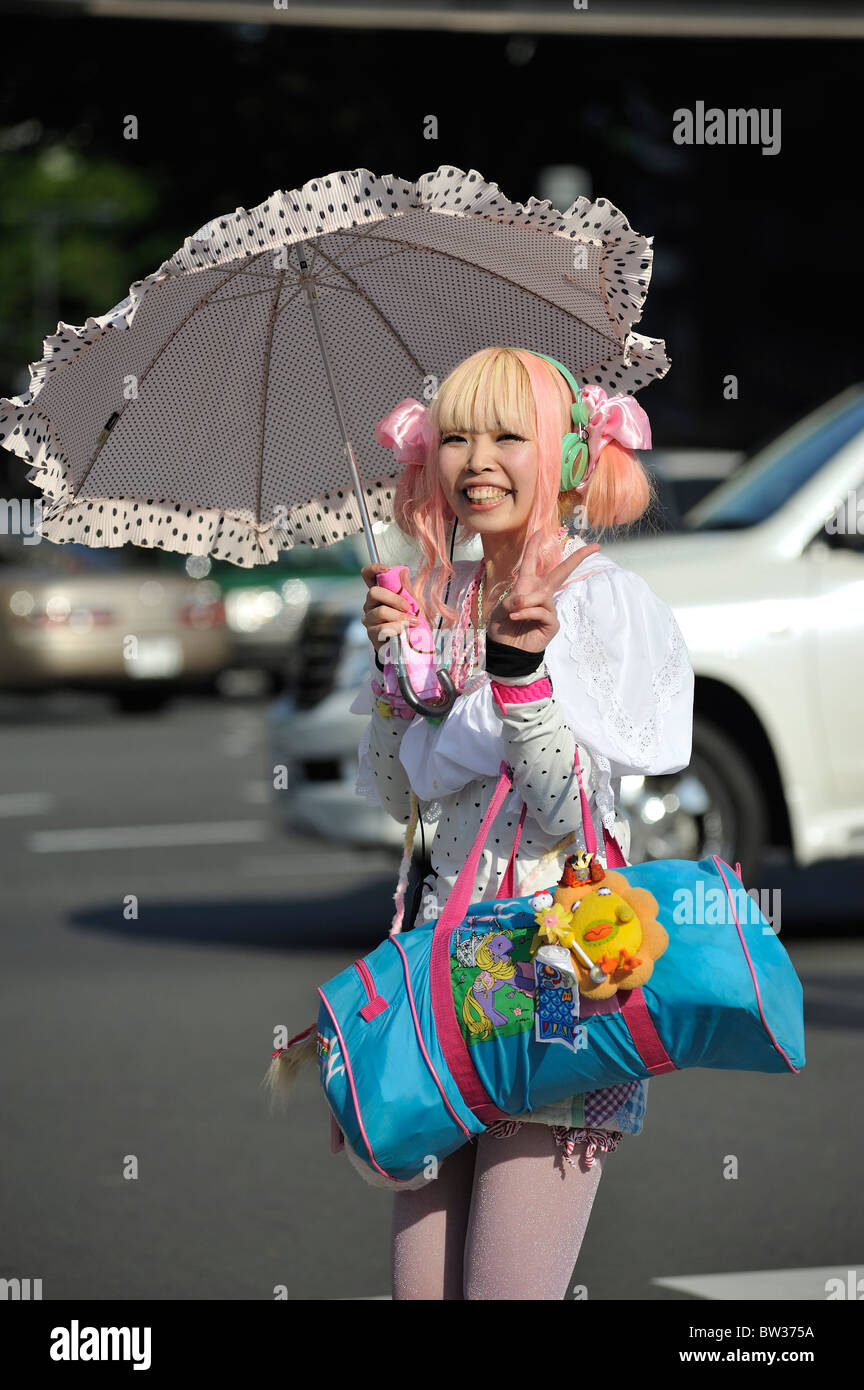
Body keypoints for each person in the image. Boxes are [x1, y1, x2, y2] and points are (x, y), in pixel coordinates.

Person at [351, 345, 694, 1300]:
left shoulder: (594, 600)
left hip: (558, 971)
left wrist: (521, 680)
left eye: (509, 435)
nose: (477, 460)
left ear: (566, 455)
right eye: (455, 436)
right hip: (442, 970)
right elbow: (401, 798)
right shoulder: (442, 595)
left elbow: (573, 816)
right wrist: (394, 676)